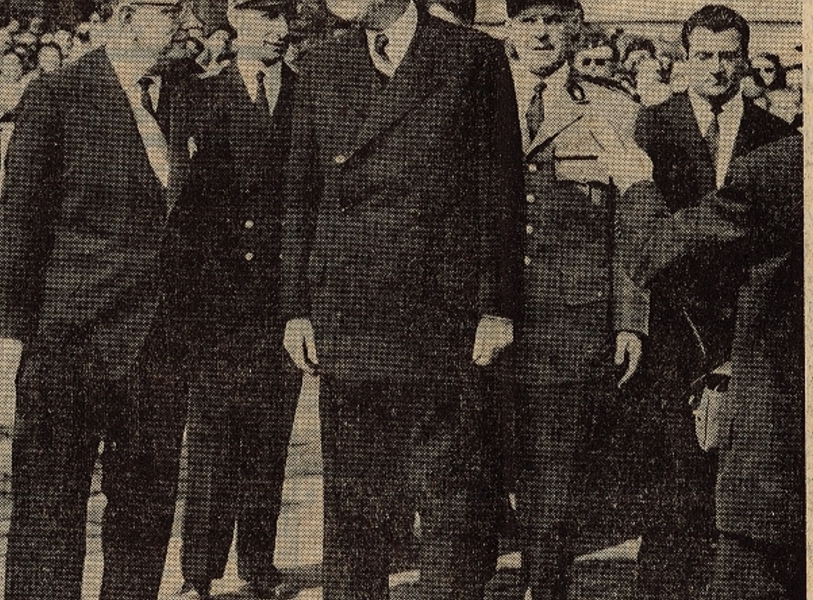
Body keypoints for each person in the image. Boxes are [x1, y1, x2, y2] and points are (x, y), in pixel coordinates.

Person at [280, 0, 524, 598]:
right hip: (350, 312)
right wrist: (296, 309)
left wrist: (497, 306)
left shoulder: (474, 56)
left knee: (451, 496)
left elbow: (501, 189)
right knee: (355, 502)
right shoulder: (319, 64)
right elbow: (298, 197)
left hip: (443, 312)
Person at [0, 0, 190, 597]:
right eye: (168, 10)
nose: (184, 24)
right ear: (126, 18)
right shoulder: (58, 94)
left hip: (158, 345)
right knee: (50, 508)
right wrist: (6, 333)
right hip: (70, 342)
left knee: (145, 512)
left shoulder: (184, 97)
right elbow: (20, 220)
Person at [631, 5, 797, 599]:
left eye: (730, 57)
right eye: (706, 56)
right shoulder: (649, 127)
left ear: (745, 60)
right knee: (671, 487)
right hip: (673, 331)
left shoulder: (778, 137)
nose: (718, 69)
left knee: (737, 490)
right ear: (684, 60)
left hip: (745, 335)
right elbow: (637, 236)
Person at [502, 1, 659, 598]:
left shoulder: (614, 108)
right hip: (479, 319)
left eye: (554, 19)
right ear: (510, 29)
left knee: (555, 478)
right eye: (528, 20)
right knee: (467, 473)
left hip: (571, 323)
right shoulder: (474, 96)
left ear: (575, 28)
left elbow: (633, 224)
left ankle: (546, 589)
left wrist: (630, 318)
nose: (541, 33)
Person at [174, 0, 301, 597]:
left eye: (284, 17)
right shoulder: (198, 95)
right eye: (265, 16)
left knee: (269, 440)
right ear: (235, 19)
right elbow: (182, 209)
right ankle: (198, 573)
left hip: (284, 303)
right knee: (210, 440)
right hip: (217, 302)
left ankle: (258, 564)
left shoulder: (310, 93)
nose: (279, 30)